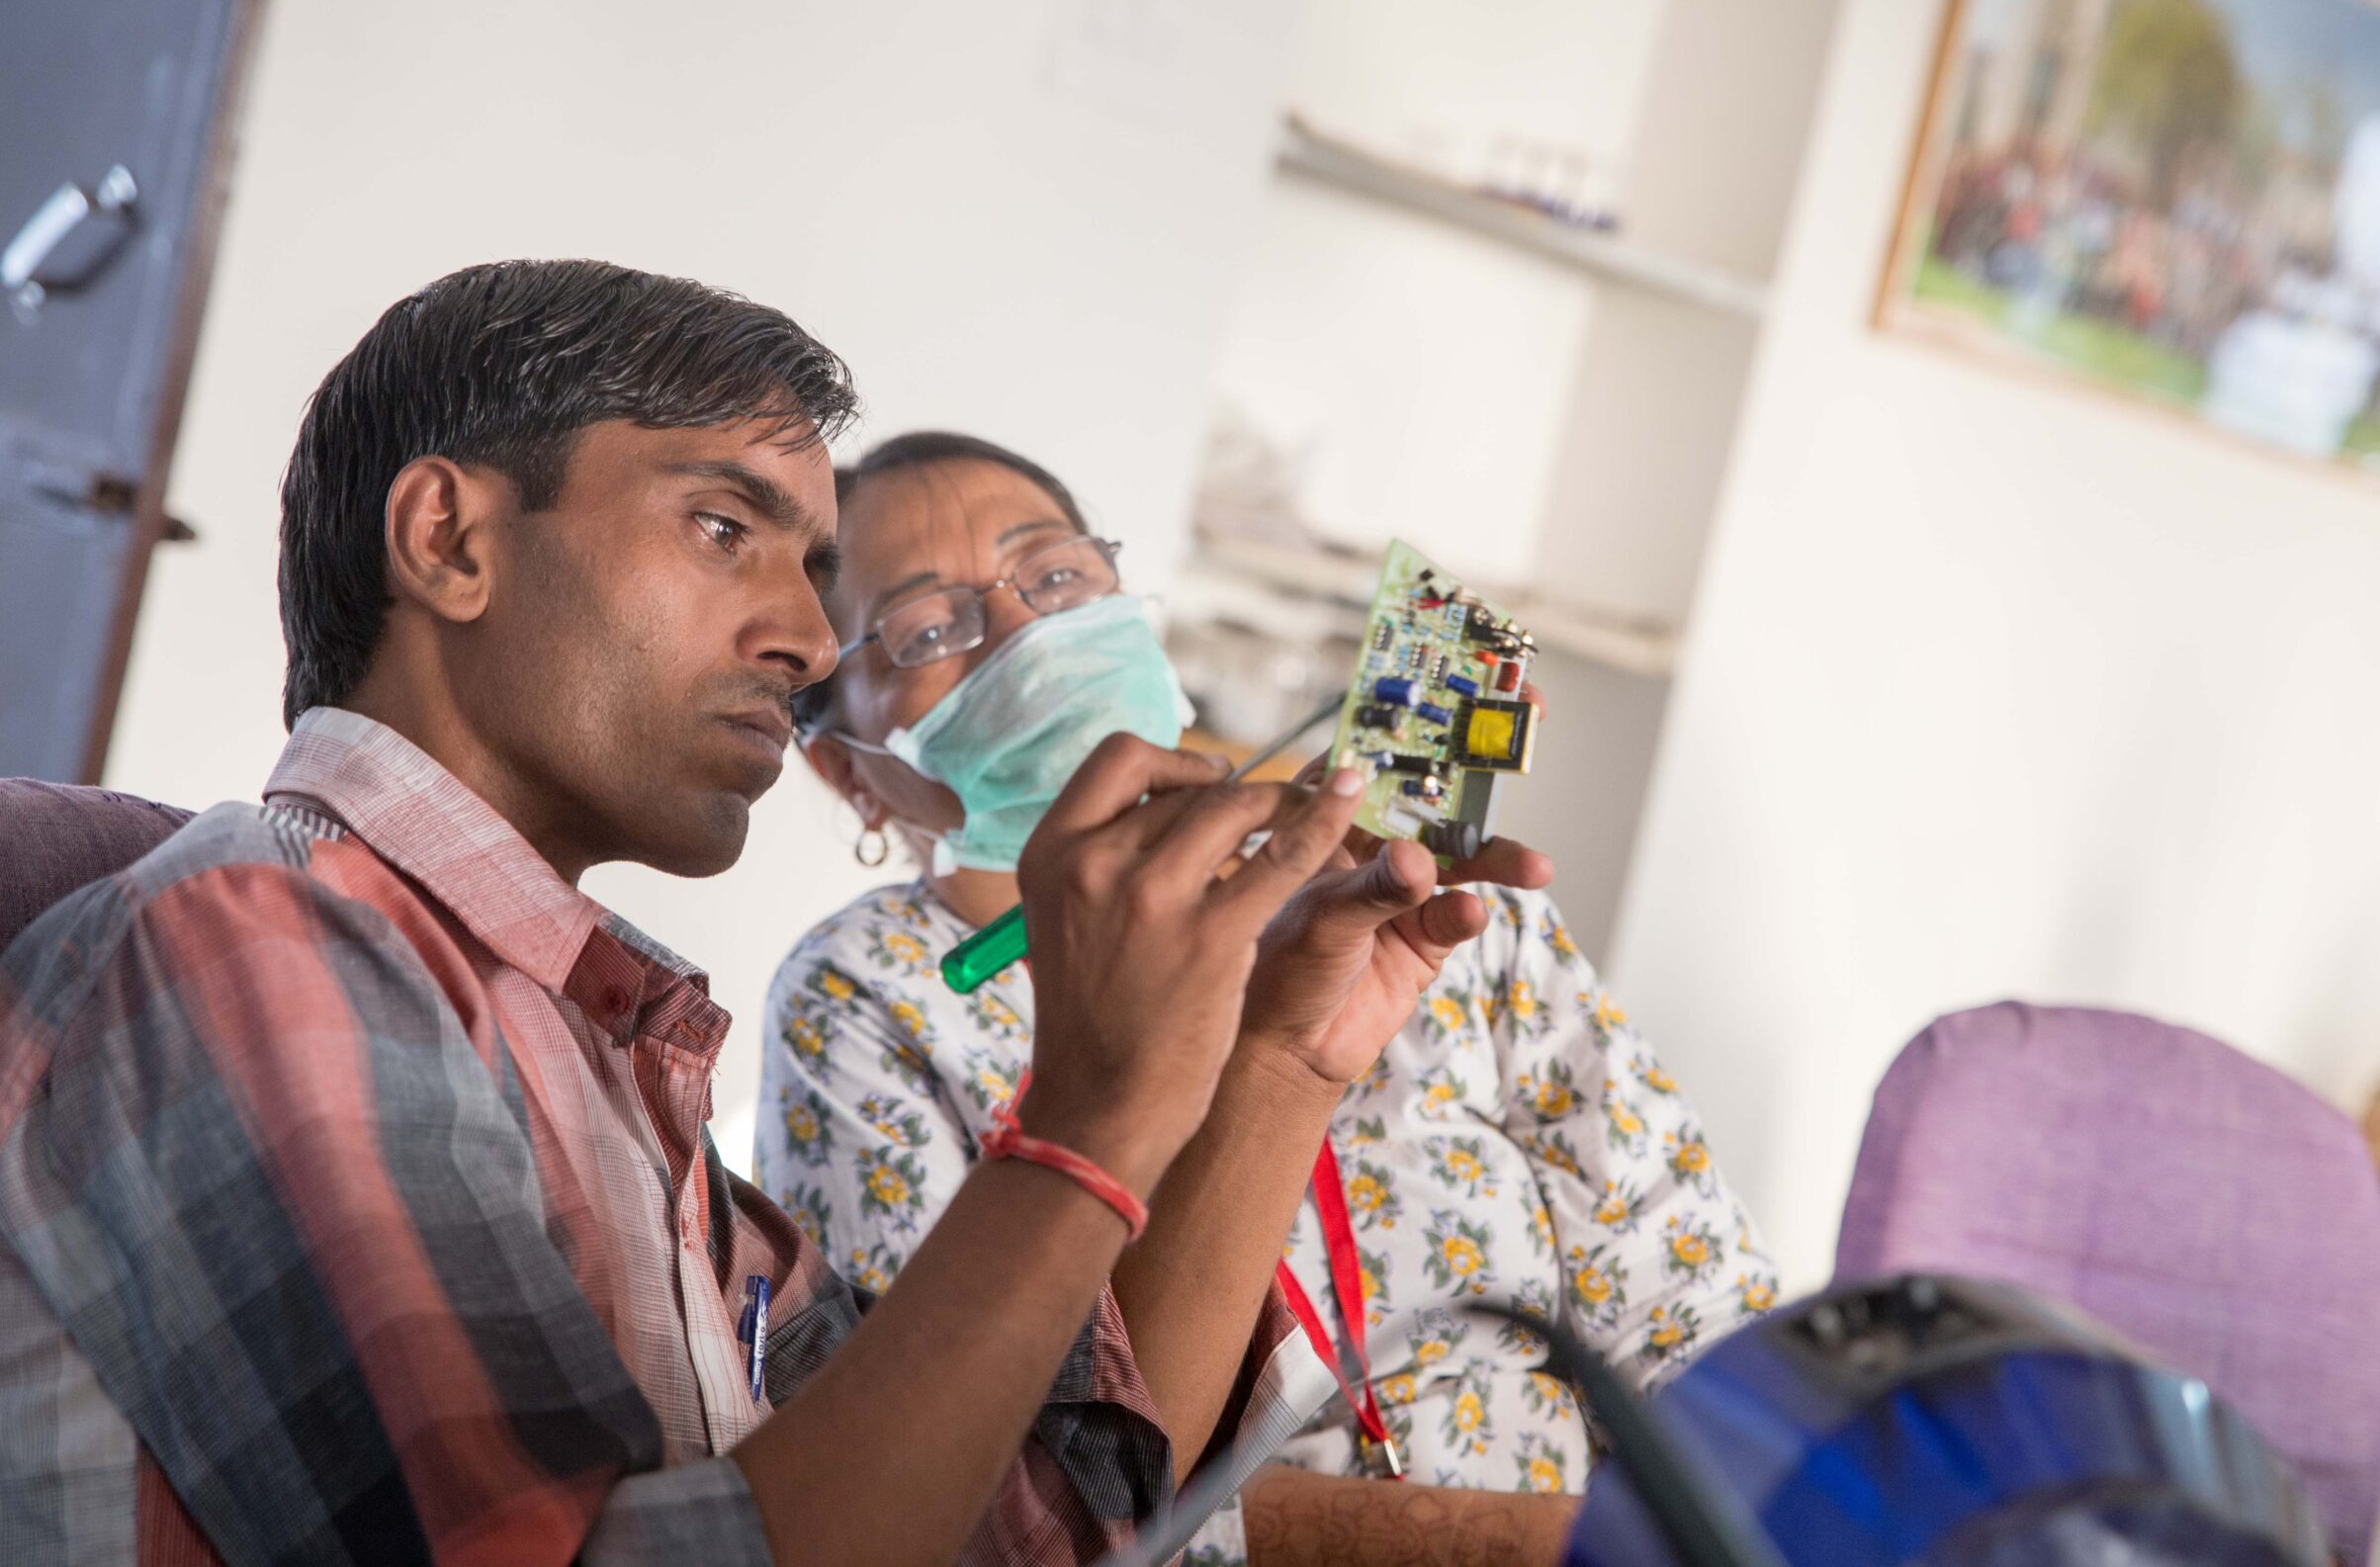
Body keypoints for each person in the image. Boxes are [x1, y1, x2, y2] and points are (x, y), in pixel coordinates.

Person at [0, 260, 1441, 1567]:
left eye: (813, 569)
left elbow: (1031, 1532)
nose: (810, 639)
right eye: (721, 526)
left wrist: (1272, 1063)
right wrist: (1094, 1114)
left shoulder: (609, 1054)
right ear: (447, 539)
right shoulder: (253, 945)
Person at [765, 431, 1780, 1566]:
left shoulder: (1415, 896)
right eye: (927, 628)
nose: (1025, 634)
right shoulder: (871, 997)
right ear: (843, 764)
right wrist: (1535, 1548)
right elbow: (982, 1501)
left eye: (1055, 577)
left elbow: (1695, 1312)